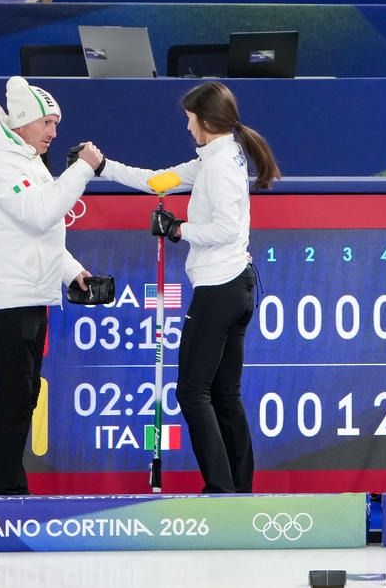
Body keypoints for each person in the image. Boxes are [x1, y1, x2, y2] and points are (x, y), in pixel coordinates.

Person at [97, 81, 280, 493]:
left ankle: (220, 489)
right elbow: (158, 181)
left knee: (192, 392)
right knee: (224, 393)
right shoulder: (216, 156)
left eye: (190, 119)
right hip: (236, 286)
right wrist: (103, 165)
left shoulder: (218, 165)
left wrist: (179, 229)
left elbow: (225, 228)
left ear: (207, 121)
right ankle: (238, 490)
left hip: (219, 288)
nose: (187, 127)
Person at [0, 76, 103, 494]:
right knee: (13, 395)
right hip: (6, 297)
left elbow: (40, 232)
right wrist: (82, 168)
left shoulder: (26, 160)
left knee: (24, 396)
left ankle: (10, 486)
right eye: (48, 123)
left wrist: (72, 271)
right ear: (23, 121)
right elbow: (40, 214)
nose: (54, 133)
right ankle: (2, 490)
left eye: (56, 124)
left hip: (30, 294)